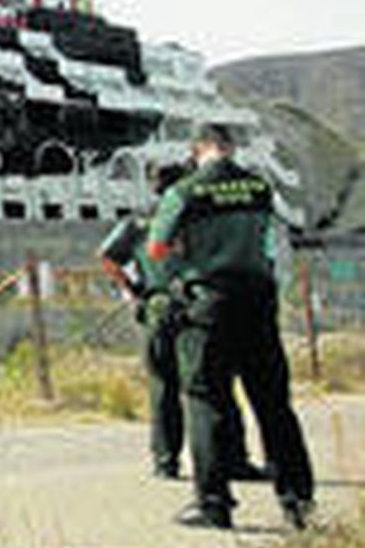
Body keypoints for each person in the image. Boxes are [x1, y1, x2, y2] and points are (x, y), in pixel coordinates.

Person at [146, 124, 315, 530]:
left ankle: (214, 503)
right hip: (258, 301)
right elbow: (271, 238)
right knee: (273, 402)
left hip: (209, 304)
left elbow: (156, 248)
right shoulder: (258, 187)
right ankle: (296, 499)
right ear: (230, 148)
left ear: (198, 150)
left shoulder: (184, 192)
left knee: (207, 399)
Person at [97, 161, 261, 482]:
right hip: (196, 304)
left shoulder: (139, 218)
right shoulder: (194, 212)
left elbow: (106, 256)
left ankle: (166, 461)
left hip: (156, 307)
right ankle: (231, 459)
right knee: (215, 384)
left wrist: (133, 291)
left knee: (163, 388)